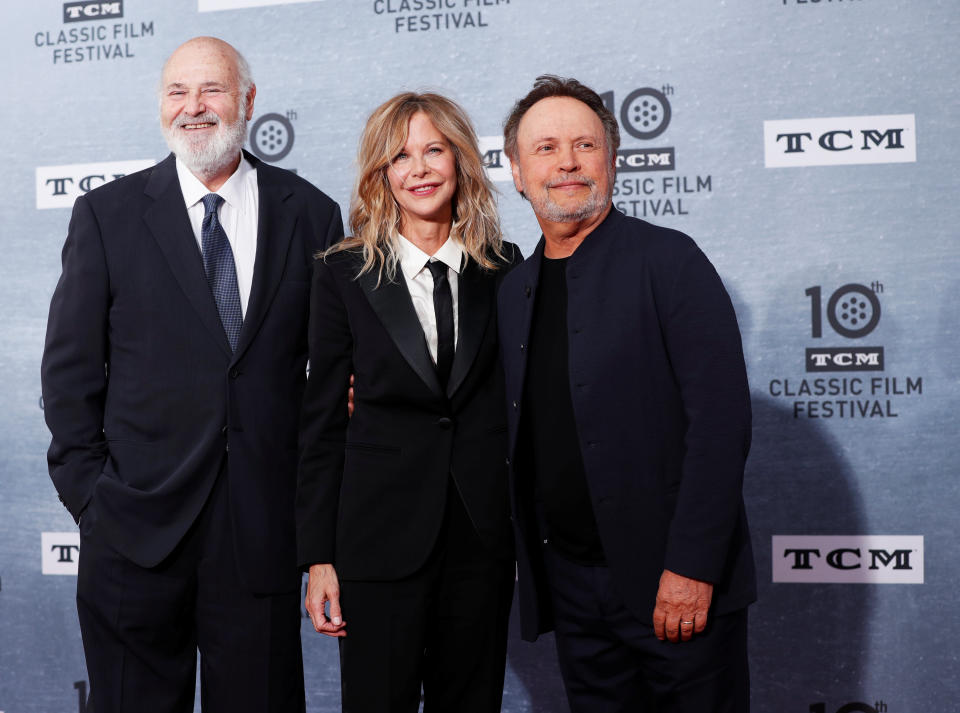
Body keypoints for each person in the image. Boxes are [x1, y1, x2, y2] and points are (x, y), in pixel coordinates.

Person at [40, 36, 343, 713]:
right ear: (161, 106)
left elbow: (328, 379)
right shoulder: (108, 215)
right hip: (132, 531)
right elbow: (68, 373)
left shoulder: (312, 213)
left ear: (248, 100)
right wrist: (92, 499)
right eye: (178, 92)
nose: (194, 107)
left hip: (259, 532)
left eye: (211, 89)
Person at [497, 75, 756, 712]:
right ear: (516, 169)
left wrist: (693, 569)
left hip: (675, 585)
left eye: (584, 145)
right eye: (546, 148)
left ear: (613, 158)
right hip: (573, 593)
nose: (566, 164)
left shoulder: (670, 262)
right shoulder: (512, 290)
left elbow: (721, 426)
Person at [296, 92, 520, 713]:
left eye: (433, 150)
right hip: (375, 542)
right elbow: (320, 425)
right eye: (400, 156)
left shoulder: (504, 269)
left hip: (479, 542)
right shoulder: (342, 274)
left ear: (460, 161)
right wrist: (318, 558)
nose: (418, 169)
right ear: (382, 174)